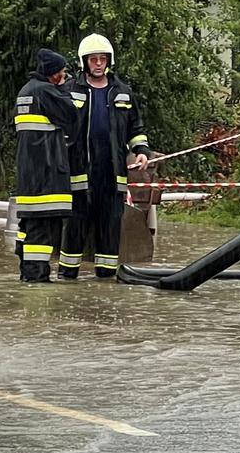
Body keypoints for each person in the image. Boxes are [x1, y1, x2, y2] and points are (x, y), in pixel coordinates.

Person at [60, 33, 150, 280]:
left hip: (112, 175)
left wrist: (141, 151)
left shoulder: (123, 92)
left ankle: (106, 280)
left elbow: (136, 129)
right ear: (84, 62)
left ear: (109, 61)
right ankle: (67, 278)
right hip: (79, 173)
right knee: (75, 228)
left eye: (102, 59)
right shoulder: (70, 91)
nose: (98, 64)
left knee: (110, 229)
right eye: (93, 59)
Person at [13, 48, 77, 283]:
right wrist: (66, 91)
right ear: (52, 74)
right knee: (41, 233)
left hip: (29, 177)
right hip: (47, 175)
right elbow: (71, 115)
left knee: (28, 229)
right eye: (62, 73)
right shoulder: (45, 91)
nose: (64, 76)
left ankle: (26, 274)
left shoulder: (26, 91)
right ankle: (37, 281)